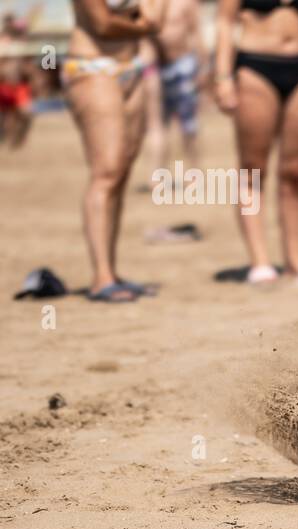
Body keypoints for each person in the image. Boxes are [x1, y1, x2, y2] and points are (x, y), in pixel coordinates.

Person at [214, 0, 298, 285]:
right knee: (253, 170)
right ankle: (260, 261)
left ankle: (294, 259)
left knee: (294, 171)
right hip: (256, 67)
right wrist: (222, 77)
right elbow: (224, 23)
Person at [64, 0, 166, 303]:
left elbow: (157, 19)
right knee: (106, 172)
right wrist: (140, 25)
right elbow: (102, 24)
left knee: (121, 172)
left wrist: (136, 25)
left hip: (132, 67)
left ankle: (112, 270)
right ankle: (101, 277)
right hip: (91, 67)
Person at [144, 0, 206, 178]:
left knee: (188, 124)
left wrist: (202, 69)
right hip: (153, 68)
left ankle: (194, 172)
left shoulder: (186, 3)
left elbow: (195, 33)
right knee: (156, 125)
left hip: (183, 66)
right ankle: (156, 175)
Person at [0, 15, 35, 151]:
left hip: (20, 86)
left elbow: (32, 66)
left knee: (26, 113)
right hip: (3, 85)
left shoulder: (25, 45)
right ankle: (6, 138)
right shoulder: (3, 42)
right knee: (4, 116)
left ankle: (19, 139)